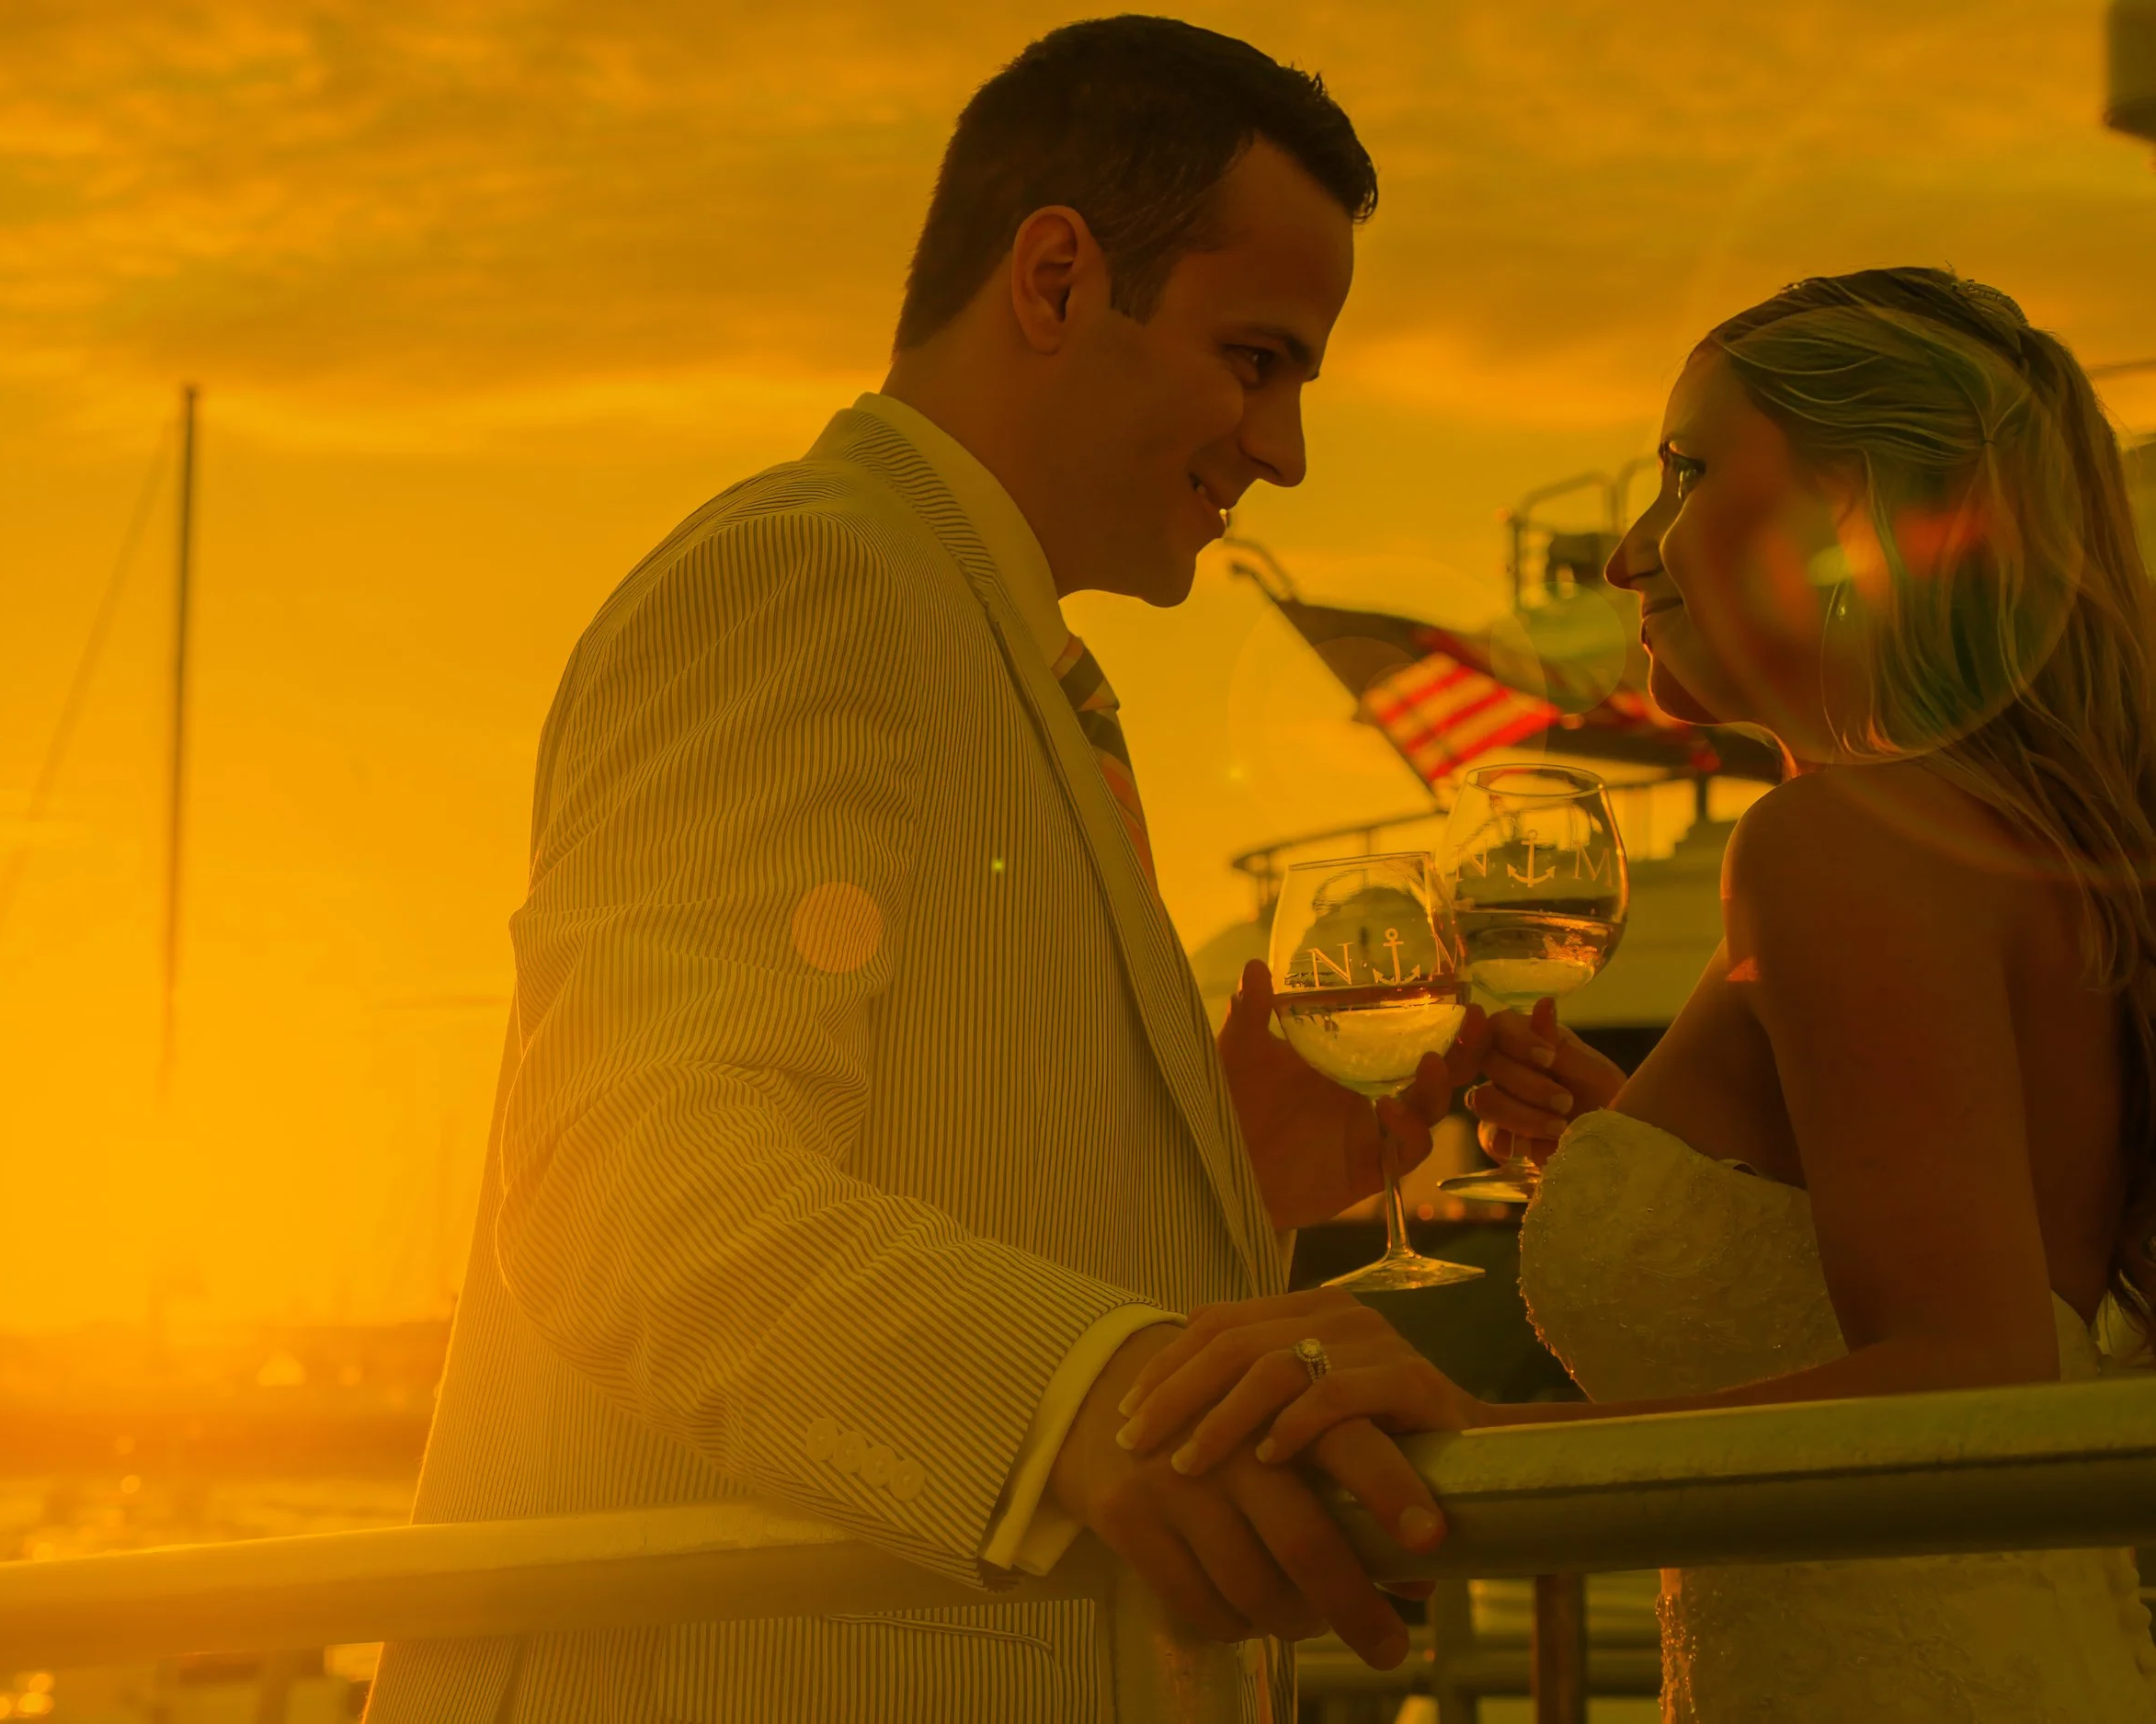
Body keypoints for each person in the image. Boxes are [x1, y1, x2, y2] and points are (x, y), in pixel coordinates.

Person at [366, 19, 1467, 1724]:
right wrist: (1088, 1392)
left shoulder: (989, 646)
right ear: (1051, 280)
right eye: (1257, 357)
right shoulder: (811, 580)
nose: (1285, 445)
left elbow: (940, 1178)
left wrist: (1237, 1176)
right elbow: (632, 1183)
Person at [1116, 267, 2156, 1719]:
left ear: (1846, 511)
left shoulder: (1834, 838)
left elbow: (1969, 1376)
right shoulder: (2017, 842)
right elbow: (1973, 1261)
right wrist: (1664, 1154)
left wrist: (1484, 1446)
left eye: (1683, 472)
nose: (1629, 553)